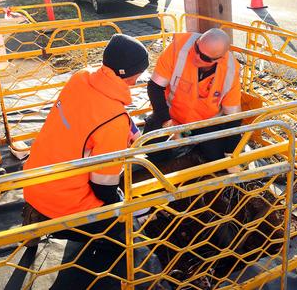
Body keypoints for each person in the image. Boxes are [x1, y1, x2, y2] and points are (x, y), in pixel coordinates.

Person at [21, 33, 149, 245]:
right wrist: (121, 205)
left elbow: (105, 115)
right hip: (66, 204)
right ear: (129, 74)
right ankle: (102, 238)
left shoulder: (81, 77)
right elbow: (103, 185)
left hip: (35, 181)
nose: (138, 79)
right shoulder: (113, 121)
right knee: (124, 225)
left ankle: (35, 215)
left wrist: (131, 130)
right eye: (139, 73)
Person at [144, 28, 243, 163]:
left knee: (217, 158)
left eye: (204, 57)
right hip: (171, 116)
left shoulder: (231, 70)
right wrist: (167, 121)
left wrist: (231, 154)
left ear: (219, 59)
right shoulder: (178, 47)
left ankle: (194, 153)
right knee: (151, 150)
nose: (196, 56)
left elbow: (234, 117)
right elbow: (155, 87)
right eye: (196, 48)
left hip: (206, 123)